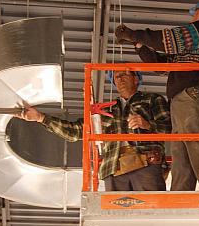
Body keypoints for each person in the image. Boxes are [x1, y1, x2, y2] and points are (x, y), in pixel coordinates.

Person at [114, 0, 199, 191]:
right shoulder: (198, 41)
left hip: (192, 96)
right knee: (182, 152)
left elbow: (168, 40)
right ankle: (180, 196)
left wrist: (135, 35)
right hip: (185, 99)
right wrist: (138, 44)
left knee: (198, 146)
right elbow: (161, 64)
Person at [16, 68, 171, 191]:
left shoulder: (152, 99)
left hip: (146, 163)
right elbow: (75, 131)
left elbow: (169, 128)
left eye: (125, 74)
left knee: (151, 211)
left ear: (136, 79)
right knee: (118, 218)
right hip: (113, 167)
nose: (121, 79)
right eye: (116, 76)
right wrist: (41, 118)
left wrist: (147, 124)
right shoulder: (105, 109)